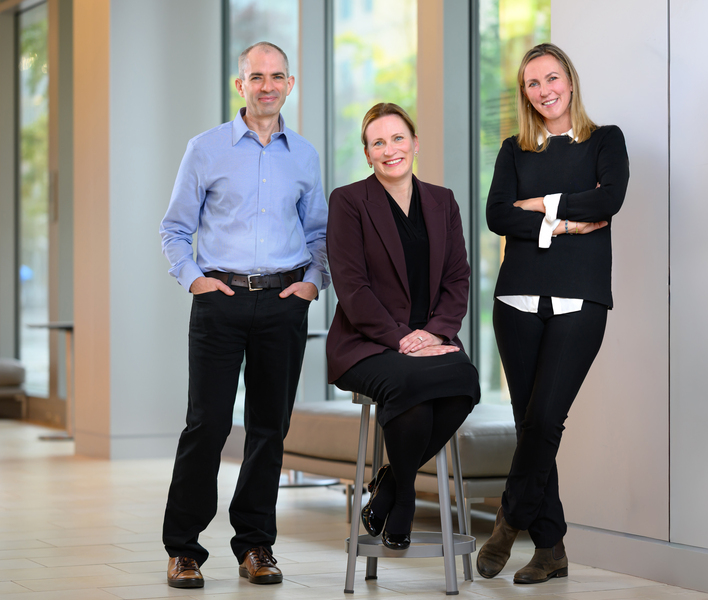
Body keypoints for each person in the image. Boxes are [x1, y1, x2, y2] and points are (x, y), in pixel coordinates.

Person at [158, 41, 328, 589]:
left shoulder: (303, 155)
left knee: (268, 430)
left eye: (277, 76)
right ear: (240, 85)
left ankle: (256, 546)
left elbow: (319, 232)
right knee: (206, 425)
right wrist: (196, 282)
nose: (267, 85)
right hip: (221, 302)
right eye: (257, 76)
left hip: (283, 303)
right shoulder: (205, 149)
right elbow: (175, 228)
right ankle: (183, 549)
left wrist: (311, 283)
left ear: (290, 84)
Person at [476, 43, 629, 584]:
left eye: (551, 78)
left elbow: (608, 200)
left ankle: (508, 521)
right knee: (530, 426)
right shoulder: (513, 150)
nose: (544, 91)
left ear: (570, 79)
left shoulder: (605, 141)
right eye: (532, 84)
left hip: (580, 299)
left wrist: (539, 207)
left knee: (545, 420)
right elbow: (497, 215)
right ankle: (552, 548)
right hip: (516, 299)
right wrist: (566, 220)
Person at [326, 103, 480, 550]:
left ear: (415, 143)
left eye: (398, 138)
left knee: (465, 381)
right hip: (365, 341)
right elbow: (351, 288)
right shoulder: (349, 201)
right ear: (368, 154)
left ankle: (392, 484)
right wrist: (399, 339)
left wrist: (432, 333)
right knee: (411, 385)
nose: (390, 149)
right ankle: (407, 497)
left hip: (432, 336)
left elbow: (457, 278)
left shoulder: (442, 200)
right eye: (378, 142)